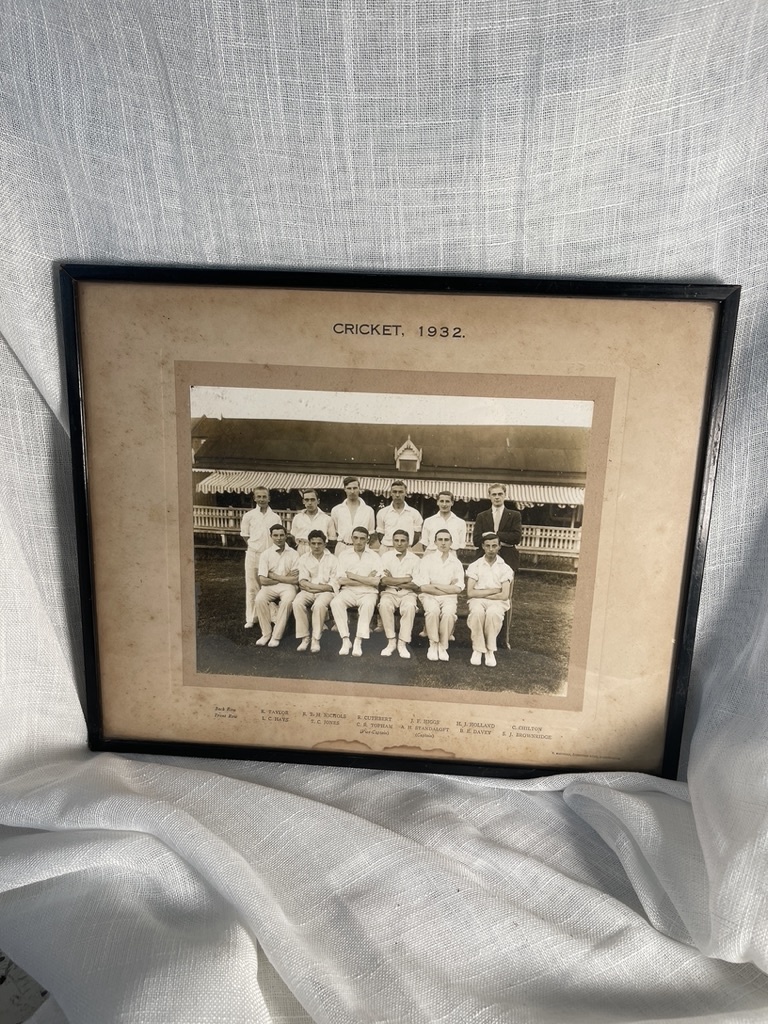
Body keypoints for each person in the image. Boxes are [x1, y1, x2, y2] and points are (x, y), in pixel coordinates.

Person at [330, 526, 383, 656]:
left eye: (362, 538)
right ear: (352, 538)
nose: (358, 541)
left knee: (368, 605)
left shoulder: (374, 556)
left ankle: (358, 640)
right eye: (356, 538)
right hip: (348, 591)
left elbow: (376, 581)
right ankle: (345, 639)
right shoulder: (344, 555)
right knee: (336, 602)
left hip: (368, 592)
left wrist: (353, 576)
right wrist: (366, 578)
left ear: (367, 539)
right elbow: (341, 580)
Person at [414, 528, 465, 662]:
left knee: (448, 613)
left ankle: (443, 646)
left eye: (446, 540)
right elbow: (424, 587)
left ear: (451, 542)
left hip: (448, 597)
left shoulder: (456, 562)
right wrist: (448, 587)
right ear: (435, 542)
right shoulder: (427, 560)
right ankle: (433, 644)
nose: (443, 543)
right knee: (432, 611)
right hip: (429, 596)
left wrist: (436, 585)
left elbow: (458, 588)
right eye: (440, 540)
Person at [466, 532, 515, 667]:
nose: (491, 549)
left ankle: (489, 650)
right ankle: (477, 649)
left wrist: (481, 593)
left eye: (494, 546)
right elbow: (470, 592)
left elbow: (504, 595)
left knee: (493, 614)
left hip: (498, 601)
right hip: (478, 600)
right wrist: (492, 591)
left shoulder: (505, 568)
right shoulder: (475, 565)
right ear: (483, 546)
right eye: (488, 546)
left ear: (499, 546)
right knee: (477, 613)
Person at [239, 487, 282, 628]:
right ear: (255, 498)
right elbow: (245, 535)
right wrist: (255, 548)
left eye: (264, 496)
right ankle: (252, 617)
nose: (262, 499)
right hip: (253, 554)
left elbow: (278, 536)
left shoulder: (275, 517)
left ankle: (272, 615)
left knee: (269, 585)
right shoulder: (249, 516)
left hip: (269, 556)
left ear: (269, 498)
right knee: (252, 586)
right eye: (259, 497)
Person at [252, 524, 300, 647]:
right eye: (276, 535)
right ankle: (266, 633)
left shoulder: (294, 554)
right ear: (271, 536)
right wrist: (285, 578)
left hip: (288, 587)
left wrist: (274, 576)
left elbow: (295, 580)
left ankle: (276, 636)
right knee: (259, 599)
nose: (279, 538)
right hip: (270, 586)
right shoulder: (265, 554)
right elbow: (263, 580)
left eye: (281, 535)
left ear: (286, 536)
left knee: (287, 601)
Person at [292, 530, 338, 653]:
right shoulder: (304, 558)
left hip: (326, 593)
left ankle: (315, 639)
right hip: (309, 590)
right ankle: (304, 637)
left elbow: (333, 584)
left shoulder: (333, 559)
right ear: (309, 544)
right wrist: (313, 587)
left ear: (325, 544)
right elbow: (302, 581)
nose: (316, 546)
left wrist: (314, 587)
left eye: (319, 543)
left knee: (319, 605)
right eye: (313, 543)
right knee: (297, 603)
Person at [378, 529, 421, 659]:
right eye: (396, 540)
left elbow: (415, 584)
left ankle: (402, 643)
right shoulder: (385, 557)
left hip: (408, 593)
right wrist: (406, 578)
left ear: (408, 542)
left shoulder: (415, 559)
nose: (399, 543)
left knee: (409, 607)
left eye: (403, 540)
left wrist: (394, 580)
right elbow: (384, 580)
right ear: (392, 542)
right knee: (384, 605)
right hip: (389, 592)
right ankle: (391, 641)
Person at [472, 483, 522, 572]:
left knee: (506, 584)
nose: (497, 497)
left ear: (505, 495)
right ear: (489, 496)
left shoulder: (514, 515)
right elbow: (476, 540)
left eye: (500, 494)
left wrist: (493, 535)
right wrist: (503, 538)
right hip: (485, 556)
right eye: (494, 494)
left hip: (507, 556)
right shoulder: (482, 516)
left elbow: (516, 538)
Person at [330, 476, 375, 554]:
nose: (352, 491)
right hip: (342, 548)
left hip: (362, 549)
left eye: (355, 488)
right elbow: (336, 531)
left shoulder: (368, 510)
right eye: (349, 488)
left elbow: (370, 532)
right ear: (345, 489)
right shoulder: (336, 510)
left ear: (359, 489)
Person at [375, 480, 423, 549]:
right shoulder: (382, 512)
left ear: (405, 493)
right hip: (387, 548)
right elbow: (380, 533)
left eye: (400, 492)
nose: (397, 495)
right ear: (391, 493)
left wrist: (407, 546)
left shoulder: (414, 513)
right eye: (394, 492)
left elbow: (417, 535)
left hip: (406, 549)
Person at [289, 489, 336, 555]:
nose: (310, 503)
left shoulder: (327, 519)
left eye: (312, 499)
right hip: (302, 550)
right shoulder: (298, 518)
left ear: (318, 501)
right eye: (307, 500)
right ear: (303, 501)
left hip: (319, 551)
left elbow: (332, 539)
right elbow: (293, 536)